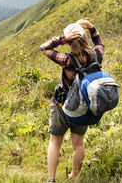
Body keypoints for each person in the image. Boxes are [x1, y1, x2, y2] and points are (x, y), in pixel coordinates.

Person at [39, 19, 104, 182]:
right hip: (83, 107)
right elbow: (98, 42)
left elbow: (44, 48)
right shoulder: (96, 56)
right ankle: (74, 176)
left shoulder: (66, 60)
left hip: (62, 104)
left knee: (55, 141)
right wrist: (92, 28)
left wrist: (61, 38)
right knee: (79, 144)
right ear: (84, 38)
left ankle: (51, 179)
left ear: (69, 42)